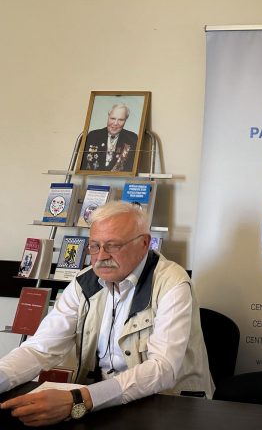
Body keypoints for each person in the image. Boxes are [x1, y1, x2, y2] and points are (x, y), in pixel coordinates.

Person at [0, 202, 213, 426]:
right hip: (100, 401)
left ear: (144, 243)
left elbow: (163, 369)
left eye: (113, 246)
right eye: (94, 246)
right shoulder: (84, 282)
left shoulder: (172, 283)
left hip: (168, 404)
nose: (101, 256)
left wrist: (78, 400)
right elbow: (39, 349)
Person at [80, 103, 139, 172]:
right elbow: (83, 166)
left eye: (120, 120)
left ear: (126, 120)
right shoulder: (93, 136)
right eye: (113, 118)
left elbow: (132, 169)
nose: (115, 123)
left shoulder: (132, 138)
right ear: (108, 117)